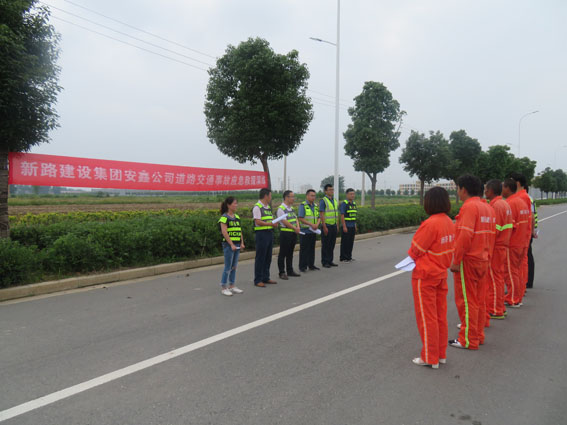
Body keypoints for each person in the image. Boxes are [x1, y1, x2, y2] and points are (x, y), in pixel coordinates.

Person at [408, 187, 455, 369]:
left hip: (425, 275)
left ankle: (429, 357)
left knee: (427, 317)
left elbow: (416, 250)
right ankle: (440, 354)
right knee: (440, 316)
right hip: (441, 273)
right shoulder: (449, 222)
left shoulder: (430, 224)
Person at [449, 175, 495, 350]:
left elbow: (465, 235)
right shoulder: (487, 208)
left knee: (466, 301)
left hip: (468, 260)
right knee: (479, 300)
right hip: (483, 259)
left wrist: (456, 260)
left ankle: (468, 339)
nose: (457, 192)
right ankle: (478, 335)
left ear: (464, 189)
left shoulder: (469, 207)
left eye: (458, 188)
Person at [484, 179, 513, 321]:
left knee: (494, 279)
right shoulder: (504, 204)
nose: (484, 192)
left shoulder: (495, 206)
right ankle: (500, 306)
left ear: (491, 191)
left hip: (495, 246)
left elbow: (493, 230)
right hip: (503, 245)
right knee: (499, 277)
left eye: (486, 189)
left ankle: (496, 310)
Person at [502, 178, 531, 307]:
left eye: (503, 187)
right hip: (522, 242)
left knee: (510, 272)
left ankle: (513, 299)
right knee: (517, 271)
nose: (502, 190)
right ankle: (517, 296)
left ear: (508, 188)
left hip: (512, 243)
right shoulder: (521, 202)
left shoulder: (510, 204)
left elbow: (509, 226)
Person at [508, 173, 533, 300]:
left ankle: (516, 293)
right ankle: (519, 289)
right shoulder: (524, 196)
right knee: (520, 264)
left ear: (517, 183)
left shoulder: (520, 198)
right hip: (523, 235)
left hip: (519, 236)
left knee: (517, 266)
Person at [218, 197, 245, 296]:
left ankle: (232, 285)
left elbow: (239, 230)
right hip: (228, 245)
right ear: (228, 205)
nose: (236, 205)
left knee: (234, 266)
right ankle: (223, 287)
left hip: (237, 244)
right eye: (234, 203)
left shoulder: (237, 217)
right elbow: (224, 232)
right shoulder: (224, 218)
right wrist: (231, 244)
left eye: (236, 203)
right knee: (228, 266)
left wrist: (242, 242)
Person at [252, 188, 278, 287]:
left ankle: (266, 277)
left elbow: (270, 219)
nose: (271, 197)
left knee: (268, 257)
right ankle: (258, 279)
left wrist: (274, 223)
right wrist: (270, 224)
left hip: (269, 233)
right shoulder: (257, 207)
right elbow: (258, 221)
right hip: (261, 234)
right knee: (260, 257)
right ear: (266, 196)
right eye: (270, 195)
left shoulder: (267, 207)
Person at [277, 190, 301, 280]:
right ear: (286, 197)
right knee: (283, 253)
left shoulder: (291, 208)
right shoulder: (281, 209)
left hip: (293, 232)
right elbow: (284, 221)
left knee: (290, 253)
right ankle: (282, 272)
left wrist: (298, 227)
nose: (293, 198)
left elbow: (295, 218)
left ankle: (290, 270)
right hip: (285, 233)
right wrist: (295, 228)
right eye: (292, 197)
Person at [298, 189, 321, 272]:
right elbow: (300, 218)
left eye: (314, 196)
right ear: (307, 196)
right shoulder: (303, 205)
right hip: (305, 231)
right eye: (311, 195)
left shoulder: (315, 206)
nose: (313, 197)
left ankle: (311, 265)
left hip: (313, 231)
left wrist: (317, 224)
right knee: (304, 250)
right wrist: (311, 224)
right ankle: (302, 266)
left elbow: (318, 217)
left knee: (312, 249)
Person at [319, 184, 339, 268]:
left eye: (332, 189)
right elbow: (322, 214)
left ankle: (330, 260)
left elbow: (336, 214)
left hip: (333, 225)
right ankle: (325, 261)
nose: (332, 191)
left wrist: (337, 225)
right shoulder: (323, 201)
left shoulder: (334, 200)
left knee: (332, 244)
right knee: (326, 244)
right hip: (327, 225)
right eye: (330, 190)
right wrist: (324, 226)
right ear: (325, 191)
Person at [339, 188, 357, 262]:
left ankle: (349, 257)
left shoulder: (354, 203)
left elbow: (354, 215)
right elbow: (342, 215)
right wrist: (344, 226)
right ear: (347, 195)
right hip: (346, 226)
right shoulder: (344, 204)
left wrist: (355, 225)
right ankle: (343, 257)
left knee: (350, 242)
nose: (352, 195)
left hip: (352, 226)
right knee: (345, 242)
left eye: (353, 194)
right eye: (351, 194)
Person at [526, 186, 538, 289]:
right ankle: (528, 280)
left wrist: (532, 231)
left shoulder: (527, 199)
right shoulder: (529, 198)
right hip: (529, 230)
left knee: (527, 255)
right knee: (527, 255)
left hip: (527, 231)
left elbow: (532, 216)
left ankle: (529, 281)